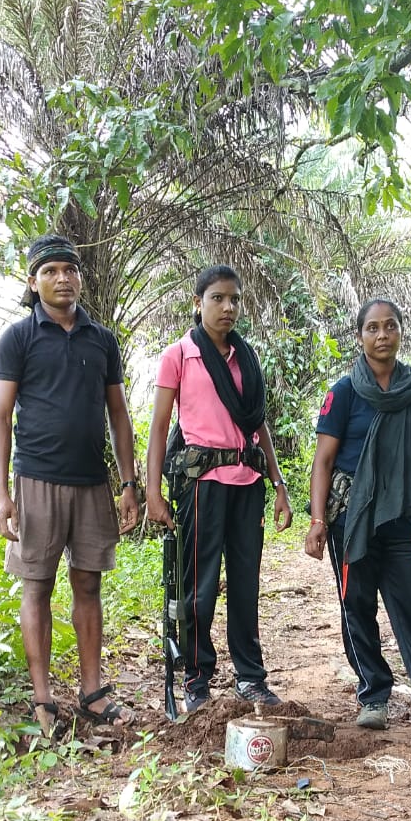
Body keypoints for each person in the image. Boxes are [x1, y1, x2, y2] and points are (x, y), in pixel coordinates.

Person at [0, 234, 139, 735]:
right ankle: (42, 699)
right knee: (38, 586)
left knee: (88, 583)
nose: (63, 278)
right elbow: (1, 417)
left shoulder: (102, 340)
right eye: (50, 270)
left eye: (70, 269)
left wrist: (129, 482)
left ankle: (93, 693)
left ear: (81, 276)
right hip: (36, 482)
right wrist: (2, 494)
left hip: (92, 482)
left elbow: (118, 414)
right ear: (33, 282)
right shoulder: (19, 338)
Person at [145, 265, 293, 713]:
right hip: (201, 485)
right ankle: (197, 677)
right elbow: (158, 428)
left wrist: (278, 482)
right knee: (200, 585)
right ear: (198, 303)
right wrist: (153, 490)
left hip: (248, 482)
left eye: (233, 299)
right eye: (217, 298)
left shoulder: (246, 357)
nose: (227, 307)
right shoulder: (179, 355)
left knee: (246, 584)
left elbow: (257, 422)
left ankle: (250, 677)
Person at [304, 296, 411, 731]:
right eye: (373, 328)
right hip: (351, 519)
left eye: (390, 326)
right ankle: (373, 695)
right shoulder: (345, 392)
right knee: (358, 606)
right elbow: (323, 462)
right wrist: (317, 522)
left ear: (401, 332)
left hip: (404, 516)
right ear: (360, 335)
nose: (382, 335)